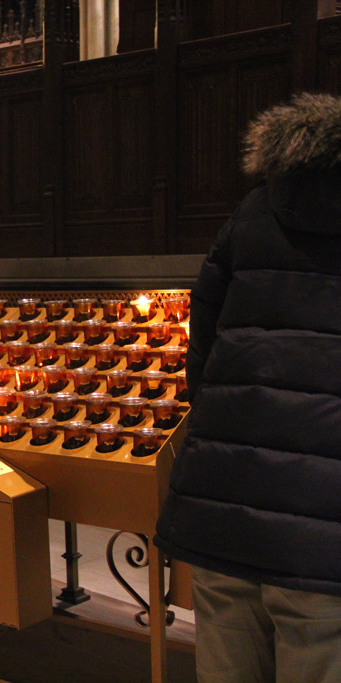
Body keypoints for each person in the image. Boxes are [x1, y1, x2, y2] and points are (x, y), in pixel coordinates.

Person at [155, 92, 341, 682]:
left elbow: (203, 339)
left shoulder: (254, 211)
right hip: (322, 518)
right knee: (317, 648)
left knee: (228, 657)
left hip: (223, 495)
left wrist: (220, 419)